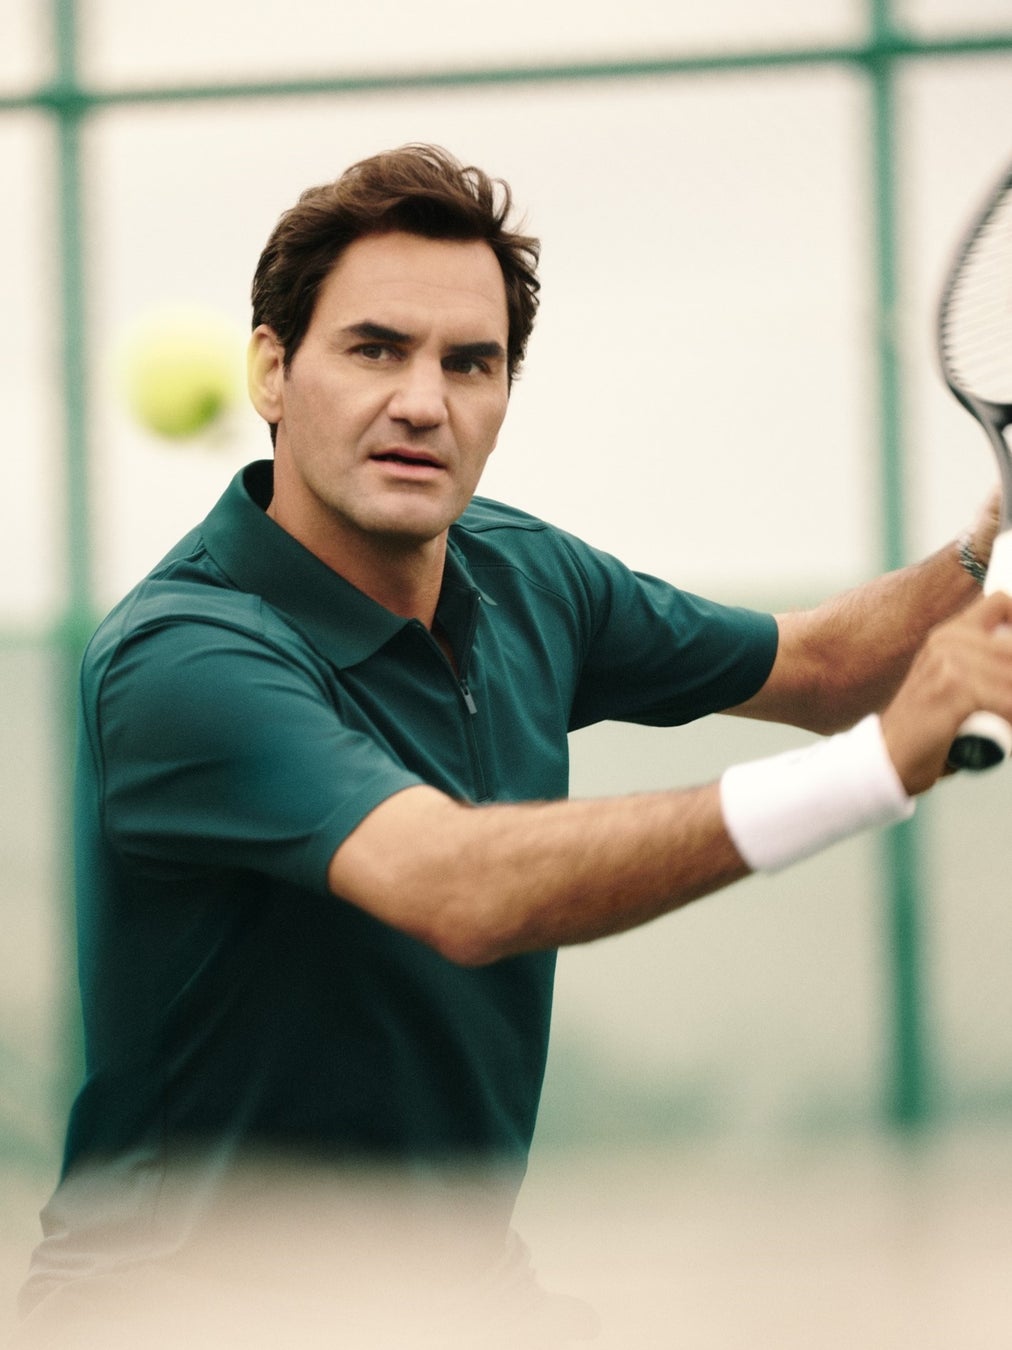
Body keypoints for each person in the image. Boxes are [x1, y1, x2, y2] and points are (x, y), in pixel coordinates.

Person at [15, 143, 1012, 1348]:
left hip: (460, 1301)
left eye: (468, 362)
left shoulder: (527, 575)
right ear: (272, 371)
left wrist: (986, 547)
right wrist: (873, 768)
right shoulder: (182, 661)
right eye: (374, 349)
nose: (422, 401)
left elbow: (825, 669)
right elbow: (458, 888)